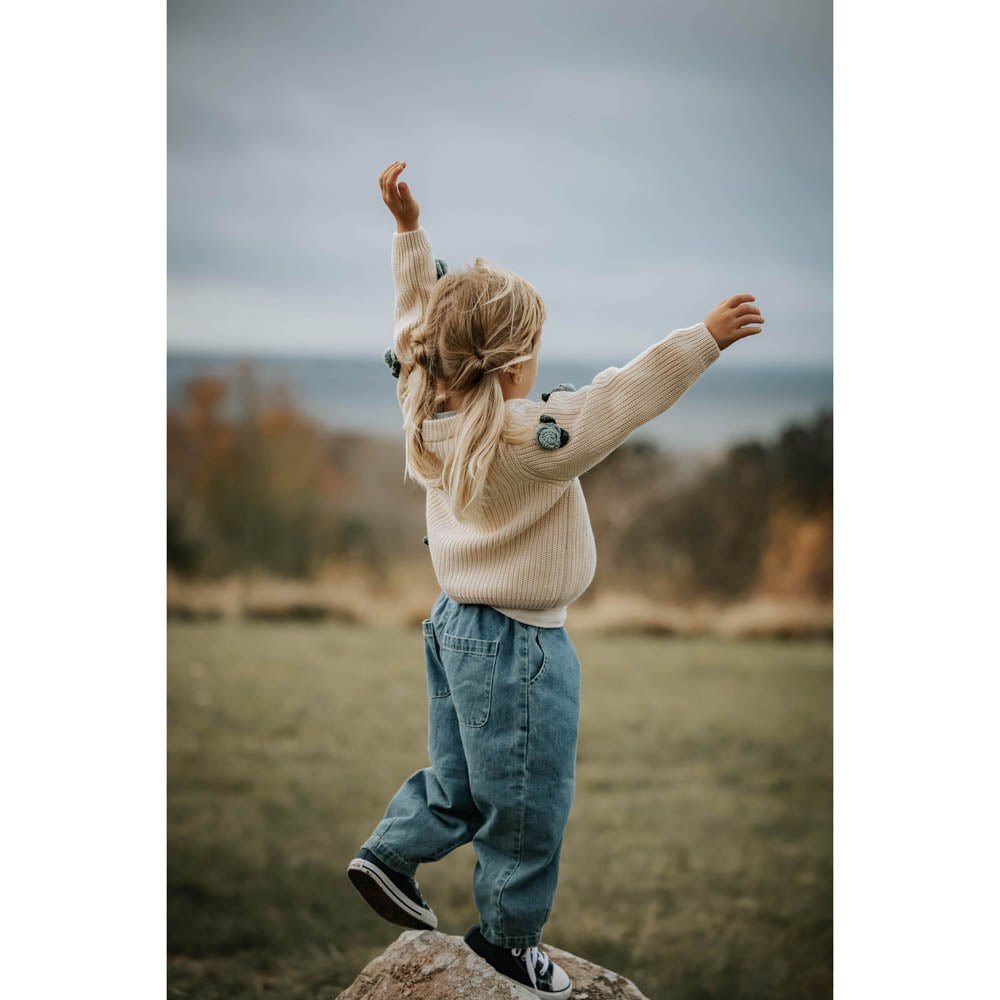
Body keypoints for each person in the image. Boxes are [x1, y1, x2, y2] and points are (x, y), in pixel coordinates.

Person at [346, 160, 765, 998]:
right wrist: (704, 337)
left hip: (452, 626)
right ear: (511, 367)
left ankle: (392, 851)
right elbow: (622, 399)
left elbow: (411, 325)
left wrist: (407, 237)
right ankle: (508, 944)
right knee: (529, 804)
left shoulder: (424, 410)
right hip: (522, 648)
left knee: (461, 781)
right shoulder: (528, 439)